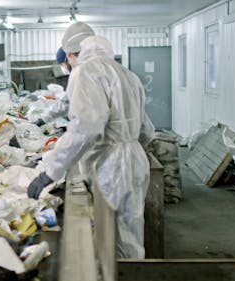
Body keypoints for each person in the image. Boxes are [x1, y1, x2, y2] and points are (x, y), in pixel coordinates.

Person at [27, 22, 155, 259]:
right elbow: (147, 130)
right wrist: (130, 148)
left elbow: (86, 126)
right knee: (131, 231)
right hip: (135, 158)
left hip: (112, 164)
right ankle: (136, 271)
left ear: (70, 53)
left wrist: (51, 171)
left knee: (113, 238)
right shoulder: (128, 75)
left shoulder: (85, 72)